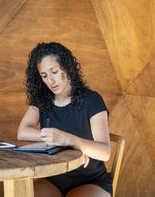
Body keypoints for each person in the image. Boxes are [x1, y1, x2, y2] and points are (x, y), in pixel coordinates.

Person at [18, 42, 112, 197]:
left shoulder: (92, 100)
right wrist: (55, 139)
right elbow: (22, 132)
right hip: (52, 178)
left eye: (54, 72)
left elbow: (105, 152)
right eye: (44, 76)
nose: (50, 81)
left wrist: (69, 140)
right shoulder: (42, 100)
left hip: (90, 180)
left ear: (67, 68)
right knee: (22, 194)